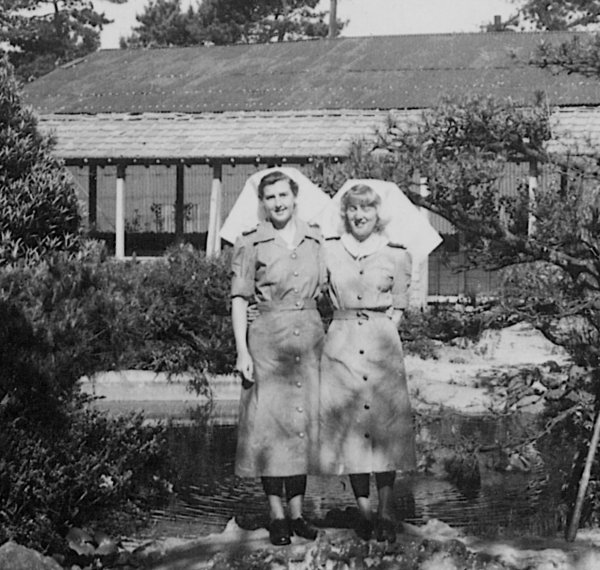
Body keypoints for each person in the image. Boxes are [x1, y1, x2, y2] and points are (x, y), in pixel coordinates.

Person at [318, 182, 417, 543]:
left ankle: (386, 510)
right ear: (344, 213)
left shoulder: (397, 254)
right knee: (350, 428)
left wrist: (385, 330)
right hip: (341, 341)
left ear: (379, 213)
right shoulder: (327, 251)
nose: (360, 215)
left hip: (381, 342)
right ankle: (363, 512)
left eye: (368, 208)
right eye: (354, 209)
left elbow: (402, 303)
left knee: (384, 426)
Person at [230, 170, 325, 546]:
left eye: (283, 195)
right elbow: (239, 299)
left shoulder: (315, 238)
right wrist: (242, 350)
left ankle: (299, 514)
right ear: (263, 203)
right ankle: (277, 516)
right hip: (267, 341)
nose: (278, 203)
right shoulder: (251, 242)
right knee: (269, 428)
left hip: (310, 339)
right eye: (270, 198)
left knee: (302, 427)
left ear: (294, 196)